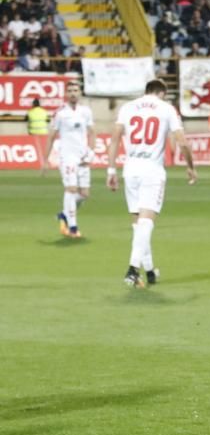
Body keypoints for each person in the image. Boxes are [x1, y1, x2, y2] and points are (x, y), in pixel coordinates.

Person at [105, 79, 197, 288]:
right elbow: (182, 141)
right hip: (152, 171)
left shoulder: (127, 107)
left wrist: (111, 170)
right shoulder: (166, 109)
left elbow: (115, 139)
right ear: (162, 93)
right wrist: (191, 166)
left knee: (139, 225)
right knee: (147, 223)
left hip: (131, 170)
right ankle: (132, 269)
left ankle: (149, 272)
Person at [47, 81, 95, 239]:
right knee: (71, 190)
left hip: (82, 157)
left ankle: (64, 214)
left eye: (75, 90)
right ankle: (73, 228)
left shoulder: (86, 111)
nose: (73, 93)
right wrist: (46, 159)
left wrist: (91, 152)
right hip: (67, 157)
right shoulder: (60, 113)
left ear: (80, 92)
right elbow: (52, 135)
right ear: (66, 94)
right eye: (70, 91)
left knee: (85, 194)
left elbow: (92, 132)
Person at [26, 97, 48, 176]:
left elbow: (26, 120)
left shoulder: (30, 112)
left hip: (33, 134)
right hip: (43, 133)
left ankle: (38, 166)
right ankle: (45, 166)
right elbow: (48, 120)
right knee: (44, 152)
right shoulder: (44, 112)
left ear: (33, 104)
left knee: (35, 153)